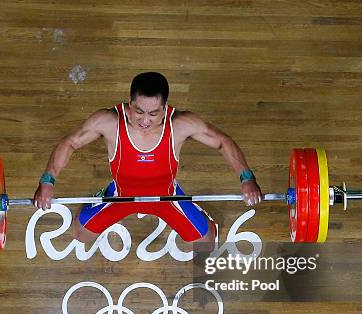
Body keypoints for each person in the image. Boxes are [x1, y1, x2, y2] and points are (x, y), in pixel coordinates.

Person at [33, 72, 262, 245]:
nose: (145, 120)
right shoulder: (108, 121)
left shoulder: (181, 124)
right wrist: (47, 181)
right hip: (121, 196)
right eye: (139, 111)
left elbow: (222, 141)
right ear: (130, 103)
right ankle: (100, 196)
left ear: (165, 108)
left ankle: (199, 213)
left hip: (166, 197)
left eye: (153, 113)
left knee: (206, 242)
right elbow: (71, 142)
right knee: (80, 235)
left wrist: (246, 177)